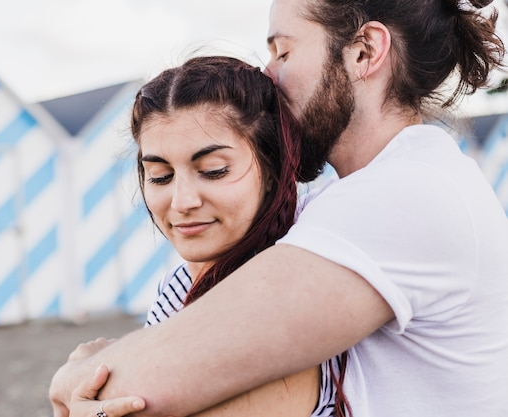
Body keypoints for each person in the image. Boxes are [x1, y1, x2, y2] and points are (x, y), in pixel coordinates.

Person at [50, 0, 508, 416]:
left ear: (364, 52)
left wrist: (74, 374)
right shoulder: (355, 195)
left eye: (283, 53)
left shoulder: (406, 194)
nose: (268, 75)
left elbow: (153, 381)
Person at [65, 55, 347, 417]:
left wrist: (81, 381)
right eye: (160, 176)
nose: (182, 202)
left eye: (213, 171)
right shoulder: (177, 284)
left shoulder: (283, 306)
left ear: (274, 172)